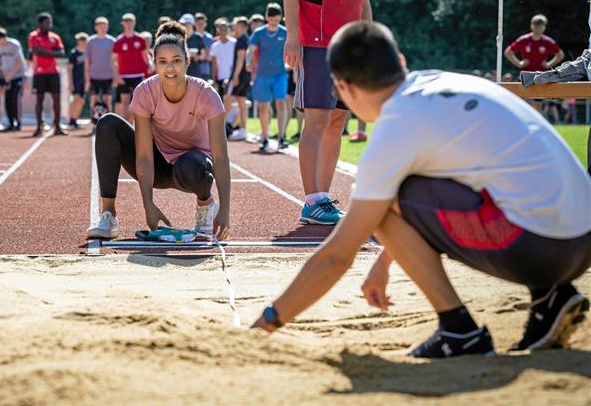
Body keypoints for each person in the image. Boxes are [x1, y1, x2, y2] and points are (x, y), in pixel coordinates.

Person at [252, 21, 591, 359]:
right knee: (414, 188)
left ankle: (459, 329)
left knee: (382, 201)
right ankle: (551, 298)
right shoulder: (441, 81)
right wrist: (384, 263)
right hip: (582, 239)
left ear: (346, 89)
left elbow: (336, 256)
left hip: (545, 251)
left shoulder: (396, 125)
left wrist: (268, 322)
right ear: (400, 61)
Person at [87, 22, 230, 241]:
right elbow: (143, 155)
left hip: (192, 168)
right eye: (162, 62)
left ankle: (205, 205)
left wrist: (225, 211)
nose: (170, 68)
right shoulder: (145, 91)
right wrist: (149, 206)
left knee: (192, 164)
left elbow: (220, 157)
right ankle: (109, 215)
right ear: (154, 64)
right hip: (157, 166)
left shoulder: (206, 94)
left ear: (187, 62)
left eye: (176, 61)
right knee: (107, 123)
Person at [284, 0, 377, 225]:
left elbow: (364, 0)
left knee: (338, 121)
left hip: (349, 49)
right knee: (318, 118)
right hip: (316, 43)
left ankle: (323, 199)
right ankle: (312, 200)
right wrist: (293, 37)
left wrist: (369, 43)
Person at [247, 3, 288, 153]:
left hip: (280, 74)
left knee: (280, 104)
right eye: (271, 20)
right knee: (263, 107)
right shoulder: (259, 33)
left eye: (277, 20)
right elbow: (250, 49)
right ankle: (265, 138)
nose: (274, 23)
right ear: (266, 18)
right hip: (262, 75)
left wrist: (294, 67)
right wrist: (248, 62)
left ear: (280, 18)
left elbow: (292, 49)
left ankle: (281, 138)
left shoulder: (285, 32)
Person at [28, 12, 66, 137]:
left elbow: (61, 52)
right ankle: (38, 127)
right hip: (39, 73)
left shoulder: (55, 37)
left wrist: (45, 52)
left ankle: (58, 126)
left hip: (53, 72)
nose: (49, 25)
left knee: (56, 100)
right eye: (46, 23)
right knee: (39, 99)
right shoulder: (33, 36)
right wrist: (52, 52)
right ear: (40, 24)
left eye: (50, 22)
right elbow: (36, 51)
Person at [112, 13, 149, 120]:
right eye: (126, 22)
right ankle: (127, 127)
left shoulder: (141, 40)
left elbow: (146, 56)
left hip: (138, 75)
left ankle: (137, 128)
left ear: (135, 23)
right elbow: (113, 60)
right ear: (123, 24)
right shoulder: (118, 41)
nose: (129, 25)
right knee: (125, 103)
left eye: (131, 22)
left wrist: (149, 67)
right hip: (124, 76)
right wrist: (116, 76)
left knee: (138, 103)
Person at [0, 27, 27, 131]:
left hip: (18, 75)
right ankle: (11, 122)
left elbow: (19, 62)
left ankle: (18, 122)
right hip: (6, 77)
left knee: (15, 99)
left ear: (3, 38)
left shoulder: (14, 45)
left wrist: (10, 75)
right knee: (7, 100)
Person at [85, 16, 116, 133]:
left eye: (105, 25)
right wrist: (87, 79)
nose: (103, 28)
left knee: (108, 101)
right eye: (100, 25)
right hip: (94, 76)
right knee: (93, 101)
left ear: (107, 26)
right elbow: (87, 61)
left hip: (108, 76)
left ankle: (108, 125)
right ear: (96, 27)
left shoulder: (112, 41)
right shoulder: (91, 41)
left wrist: (115, 76)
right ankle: (94, 125)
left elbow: (115, 60)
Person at [226, 16, 251, 141]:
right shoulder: (247, 39)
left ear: (241, 26)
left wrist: (235, 75)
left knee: (227, 100)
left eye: (236, 25)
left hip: (239, 75)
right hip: (246, 75)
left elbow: (241, 58)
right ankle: (243, 129)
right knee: (241, 102)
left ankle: (218, 129)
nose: (234, 28)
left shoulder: (241, 40)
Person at [209, 17, 236, 99]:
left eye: (225, 29)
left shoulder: (234, 43)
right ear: (218, 30)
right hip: (220, 76)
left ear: (228, 30)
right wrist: (213, 79)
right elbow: (214, 64)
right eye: (221, 29)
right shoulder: (215, 46)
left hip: (232, 76)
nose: (223, 31)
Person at [68, 32, 88, 128]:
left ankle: (75, 119)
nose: (83, 43)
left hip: (84, 81)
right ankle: (70, 119)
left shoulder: (88, 53)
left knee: (81, 101)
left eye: (84, 41)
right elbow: (69, 69)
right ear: (78, 41)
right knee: (75, 99)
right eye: (81, 41)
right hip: (76, 80)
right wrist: (70, 82)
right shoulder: (74, 53)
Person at [180, 14, 208, 80]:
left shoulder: (198, 37)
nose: (184, 25)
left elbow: (203, 55)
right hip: (181, 72)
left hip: (195, 73)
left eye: (186, 23)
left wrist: (196, 57)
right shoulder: (178, 38)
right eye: (182, 23)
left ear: (192, 24)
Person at [194, 12, 214, 80]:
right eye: (198, 23)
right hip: (191, 71)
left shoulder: (209, 38)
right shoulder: (190, 37)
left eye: (202, 24)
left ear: (205, 24)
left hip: (205, 71)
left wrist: (195, 56)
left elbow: (208, 57)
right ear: (194, 24)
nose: (200, 26)